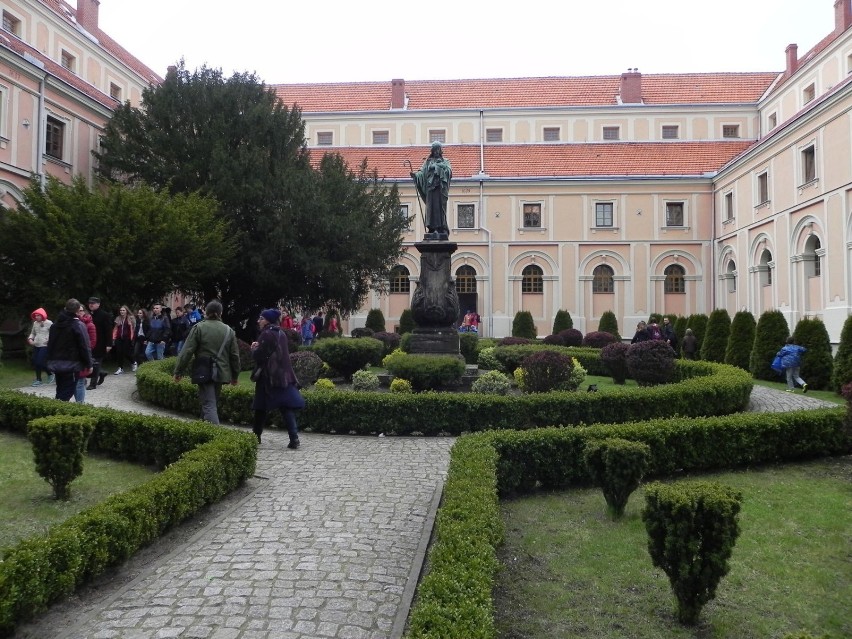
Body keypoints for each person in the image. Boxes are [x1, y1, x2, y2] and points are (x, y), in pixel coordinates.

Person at [173, 300, 240, 424]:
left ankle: (216, 438)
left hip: (204, 370)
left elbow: (186, 352)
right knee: (210, 402)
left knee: (209, 404)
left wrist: (178, 371)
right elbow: (235, 356)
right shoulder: (228, 330)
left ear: (206, 312)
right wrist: (235, 376)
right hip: (221, 372)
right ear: (220, 313)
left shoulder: (199, 327)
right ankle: (202, 431)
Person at [251, 308, 302, 447]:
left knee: (260, 407)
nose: (259, 321)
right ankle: (294, 438)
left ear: (267, 320)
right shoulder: (281, 334)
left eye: (261, 318)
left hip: (268, 376)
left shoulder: (266, 334)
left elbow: (259, 356)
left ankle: (256, 437)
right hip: (283, 376)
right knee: (286, 407)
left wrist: (254, 349)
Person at [45, 298, 93, 402]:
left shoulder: (55, 326)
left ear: (65, 308)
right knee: (66, 393)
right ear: (77, 311)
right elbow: (84, 347)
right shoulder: (78, 325)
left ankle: (56, 412)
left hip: (57, 363)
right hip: (71, 364)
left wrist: (49, 360)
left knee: (60, 390)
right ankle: (58, 415)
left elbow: (50, 345)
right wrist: (89, 364)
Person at [410, 141, 452, 239]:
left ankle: (441, 228)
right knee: (431, 208)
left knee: (439, 208)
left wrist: (437, 167)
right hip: (430, 190)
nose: (436, 151)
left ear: (440, 150)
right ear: (432, 150)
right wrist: (416, 176)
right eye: (435, 149)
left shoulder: (445, 161)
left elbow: (449, 171)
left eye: (438, 149)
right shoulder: (428, 162)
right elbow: (422, 172)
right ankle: (432, 228)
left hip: (440, 189)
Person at [86, 296, 113, 390]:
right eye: (90, 303)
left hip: (100, 342)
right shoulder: (88, 314)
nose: (91, 305)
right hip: (90, 342)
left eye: (93, 303)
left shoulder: (104, 315)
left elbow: (108, 330)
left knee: (96, 362)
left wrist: (109, 344)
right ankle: (101, 373)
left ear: (98, 304)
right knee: (90, 362)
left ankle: (93, 384)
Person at [27, 307, 53, 386]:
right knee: (36, 362)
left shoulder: (49, 323)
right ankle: (38, 380)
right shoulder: (35, 323)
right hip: (36, 344)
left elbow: (54, 333)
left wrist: (49, 339)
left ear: (43, 315)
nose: (37, 317)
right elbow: (33, 333)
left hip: (45, 345)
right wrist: (30, 338)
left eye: (38, 315)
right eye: (36, 315)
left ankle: (50, 374)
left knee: (40, 362)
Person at [75, 309, 97, 402]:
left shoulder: (89, 325)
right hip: (74, 356)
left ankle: (80, 404)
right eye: (78, 310)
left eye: (81, 310)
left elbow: (92, 342)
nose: (79, 312)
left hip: (83, 355)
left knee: (80, 382)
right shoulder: (74, 323)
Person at [112, 305, 135, 374]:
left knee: (126, 352)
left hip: (127, 338)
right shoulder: (118, 318)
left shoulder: (130, 318)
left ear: (126, 311)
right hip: (119, 338)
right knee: (119, 353)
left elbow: (133, 328)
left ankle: (134, 362)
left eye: (123, 310)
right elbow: (115, 328)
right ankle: (120, 368)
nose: (122, 312)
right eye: (121, 310)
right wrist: (113, 338)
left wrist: (132, 338)